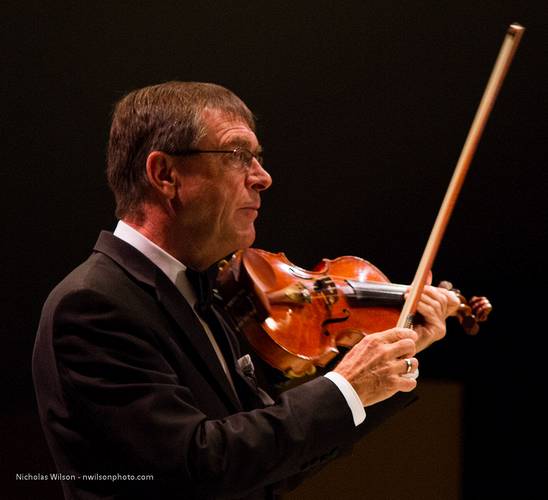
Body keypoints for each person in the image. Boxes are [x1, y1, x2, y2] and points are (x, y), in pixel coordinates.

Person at [33, 81, 459, 500]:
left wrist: (387, 367)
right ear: (165, 174)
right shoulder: (94, 304)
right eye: (238, 156)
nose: (263, 177)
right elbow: (199, 466)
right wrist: (345, 387)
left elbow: (270, 461)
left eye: (258, 158)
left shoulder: (207, 290)